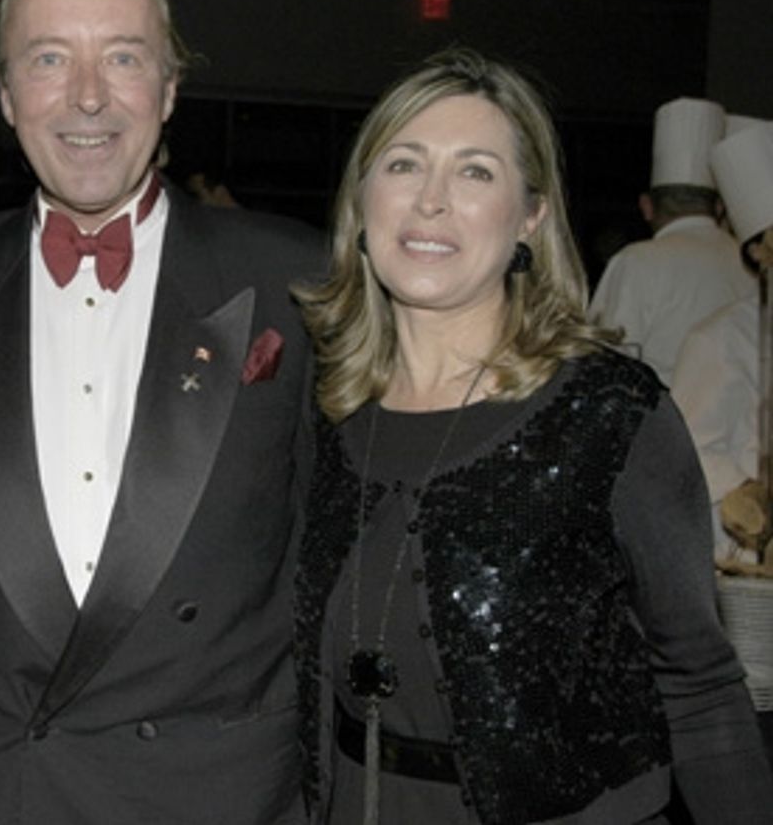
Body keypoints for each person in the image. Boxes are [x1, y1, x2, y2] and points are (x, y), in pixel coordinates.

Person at [0, 0, 326, 824]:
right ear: (6, 95)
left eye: (123, 57)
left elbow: (339, 548)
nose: (88, 95)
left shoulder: (297, 280)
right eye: (49, 59)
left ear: (169, 87)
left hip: (214, 793)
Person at [295, 48, 773, 824]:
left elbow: (701, 688)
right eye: (404, 163)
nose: (431, 200)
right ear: (362, 199)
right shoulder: (325, 409)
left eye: (475, 171)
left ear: (530, 217)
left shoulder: (607, 413)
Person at [589, 97, 753, 383]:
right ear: (719, 207)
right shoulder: (750, 262)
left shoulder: (636, 260)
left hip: (661, 409)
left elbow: (603, 360)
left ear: (646, 206)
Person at [672, 120, 773, 568]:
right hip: (751, 561)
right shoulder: (720, 338)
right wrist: (744, 491)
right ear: (760, 253)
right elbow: (687, 448)